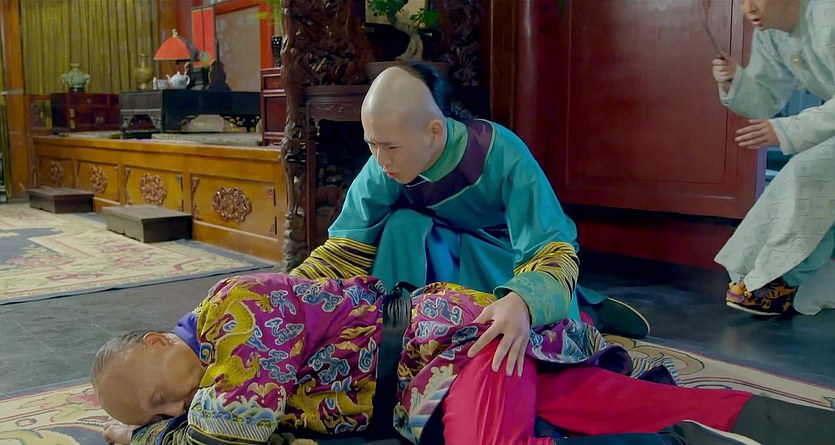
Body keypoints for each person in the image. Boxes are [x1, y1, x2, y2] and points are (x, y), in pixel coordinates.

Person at [93, 273, 835, 445]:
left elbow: (231, 428)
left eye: (159, 397)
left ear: (158, 341)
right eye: (160, 414)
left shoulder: (231, 311)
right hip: (430, 386)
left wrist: (148, 438)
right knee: (633, 408)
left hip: (453, 345)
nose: (175, 410)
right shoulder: (210, 368)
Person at [290, 62, 650, 344]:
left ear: (434, 131)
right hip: (438, 261)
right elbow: (345, 248)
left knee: (539, 329)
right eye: (372, 144)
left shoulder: (502, 154)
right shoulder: (383, 165)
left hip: (506, 264)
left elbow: (549, 247)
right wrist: (287, 289)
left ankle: (584, 310)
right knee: (403, 226)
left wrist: (524, 301)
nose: (381, 160)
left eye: (391, 147)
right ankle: (396, 330)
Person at [711, 0, 835, 316]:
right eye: (741, 0)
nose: (748, 8)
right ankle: (757, 275)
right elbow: (766, 97)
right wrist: (735, 81)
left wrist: (787, 129)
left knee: (808, 172)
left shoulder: (829, 15)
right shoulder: (771, 34)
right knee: (807, 173)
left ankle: (780, 280)